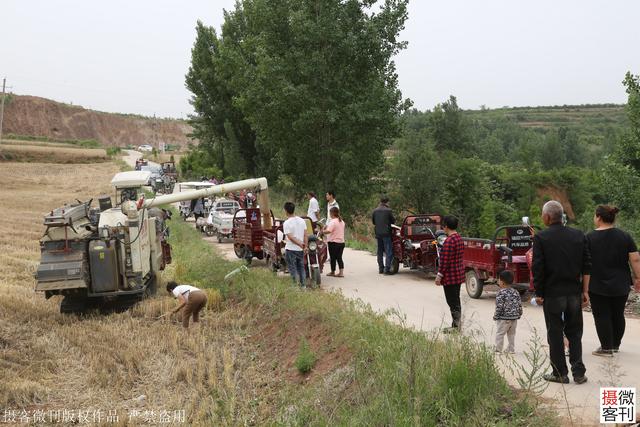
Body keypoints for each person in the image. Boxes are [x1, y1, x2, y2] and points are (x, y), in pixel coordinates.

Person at [532, 200, 590, 384]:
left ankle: (560, 373)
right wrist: (585, 291)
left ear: (547, 217)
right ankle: (579, 372)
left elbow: (538, 268)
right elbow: (586, 266)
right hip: (573, 292)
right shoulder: (578, 235)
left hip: (553, 293)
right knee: (575, 332)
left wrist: (539, 292)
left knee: (555, 333)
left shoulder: (541, 238)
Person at [586, 205, 640, 357]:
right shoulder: (625, 236)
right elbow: (635, 259)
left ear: (598, 217)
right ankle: (615, 345)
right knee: (618, 314)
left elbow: (583, 262)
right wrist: (638, 278)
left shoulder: (589, 238)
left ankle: (606, 348)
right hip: (621, 283)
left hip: (597, 283)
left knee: (602, 315)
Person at [435, 215, 465, 332]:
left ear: (446, 227)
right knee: (455, 300)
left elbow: (444, 261)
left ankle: (456, 326)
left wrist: (439, 276)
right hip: (458, 274)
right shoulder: (459, 238)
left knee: (452, 301)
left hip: (450, 276)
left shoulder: (449, 242)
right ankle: (456, 324)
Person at [494, 270, 523, 354]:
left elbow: (499, 306)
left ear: (502, 282)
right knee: (511, 334)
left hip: (504, 318)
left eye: (499, 279)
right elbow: (519, 304)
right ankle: (511, 349)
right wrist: (519, 313)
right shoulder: (516, 292)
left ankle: (498, 350)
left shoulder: (500, 293)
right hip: (514, 318)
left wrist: (496, 316)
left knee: (500, 334)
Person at [283, 202, 308, 288]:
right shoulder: (302, 221)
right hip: (300, 250)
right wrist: (305, 246)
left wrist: (301, 245)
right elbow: (305, 235)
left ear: (286, 211)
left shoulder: (286, 223)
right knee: (301, 268)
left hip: (290, 249)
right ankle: (303, 286)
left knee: (292, 268)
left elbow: (290, 237)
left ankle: (294, 287)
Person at [372, 196, 395, 275]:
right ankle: (387, 269)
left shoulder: (375, 211)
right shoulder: (388, 211)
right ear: (387, 202)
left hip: (378, 233)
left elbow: (373, 222)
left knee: (380, 251)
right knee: (388, 251)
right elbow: (393, 221)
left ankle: (381, 268)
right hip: (386, 233)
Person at [324, 207, 346, 277]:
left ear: (332, 213)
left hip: (333, 242)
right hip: (341, 242)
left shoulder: (333, 221)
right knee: (339, 257)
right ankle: (341, 272)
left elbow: (329, 231)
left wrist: (322, 231)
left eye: (330, 213)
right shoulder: (342, 221)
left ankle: (333, 271)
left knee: (333, 258)